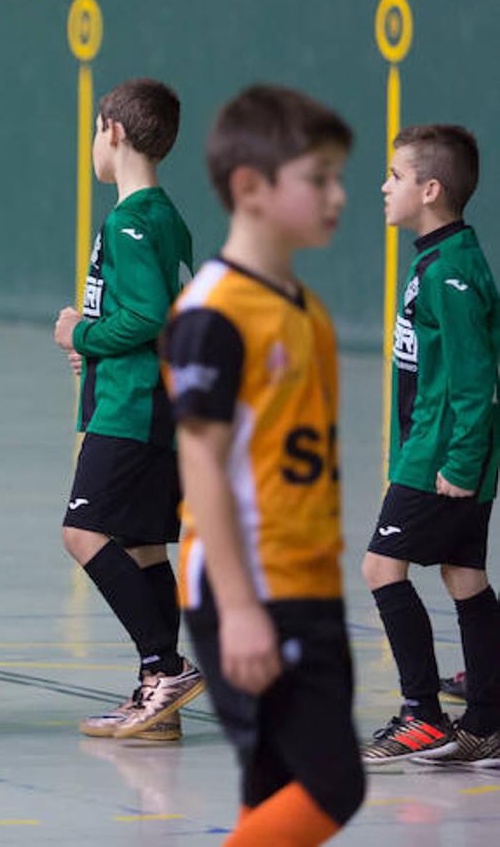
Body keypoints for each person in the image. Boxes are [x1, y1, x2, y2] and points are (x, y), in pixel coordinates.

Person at [161, 85, 363, 844]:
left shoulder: (304, 310)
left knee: (272, 789)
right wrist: (241, 606)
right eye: (318, 178)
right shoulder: (215, 311)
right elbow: (202, 462)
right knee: (332, 784)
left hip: (309, 578)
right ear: (250, 188)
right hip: (249, 588)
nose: (338, 195)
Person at [52, 78, 202, 740]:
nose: (92, 143)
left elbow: (146, 314)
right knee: (142, 547)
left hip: (132, 406)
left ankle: (163, 667)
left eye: (93, 130)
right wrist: (101, 339)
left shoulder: (131, 220)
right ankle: (156, 701)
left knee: (82, 533)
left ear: (112, 132)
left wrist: (81, 334)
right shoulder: (168, 217)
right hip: (155, 403)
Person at [359, 124, 500, 766]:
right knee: (463, 574)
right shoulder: (441, 260)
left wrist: (460, 463)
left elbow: (476, 379)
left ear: (431, 189)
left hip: (442, 457)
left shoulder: (453, 273)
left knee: (381, 568)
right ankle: (489, 720)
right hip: (438, 450)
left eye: (395, 175)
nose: (384, 186)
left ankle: (422, 714)